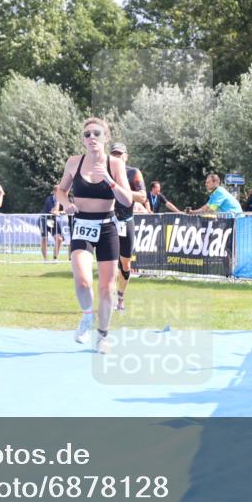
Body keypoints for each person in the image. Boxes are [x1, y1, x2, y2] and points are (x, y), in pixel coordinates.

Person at [55, 117, 133, 352]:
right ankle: (87, 316)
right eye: (87, 134)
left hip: (107, 226)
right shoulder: (73, 162)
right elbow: (61, 190)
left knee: (107, 288)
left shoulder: (115, 164)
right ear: (83, 140)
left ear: (105, 137)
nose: (91, 138)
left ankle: (103, 335)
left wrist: (109, 180)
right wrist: (65, 204)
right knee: (83, 281)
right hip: (82, 224)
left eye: (96, 133)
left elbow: (127, 200)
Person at [109, 143, 147, 312]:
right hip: (108, 221)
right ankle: (109, 297)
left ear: (126, 156)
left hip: (126, 220)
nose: (117, 157)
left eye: (120, 154)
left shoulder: (133, 173)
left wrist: (121, 190)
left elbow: (142, 197)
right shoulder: (106, 172)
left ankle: (120, 297)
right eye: (114, 154)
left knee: (125, 264)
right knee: (109, 263)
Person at [40, 185, 65, 261]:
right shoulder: (49, 199)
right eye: (58, 191)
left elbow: (65, 210)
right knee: (44, 238)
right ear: (54, 191)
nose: (60, 193)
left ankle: (55, 258)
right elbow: (54, 211)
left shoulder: (62, 200)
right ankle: (45, 259)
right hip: (44, 219)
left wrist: (60, 212)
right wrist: (58, 202)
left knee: (59, 239)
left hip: (52, 220)